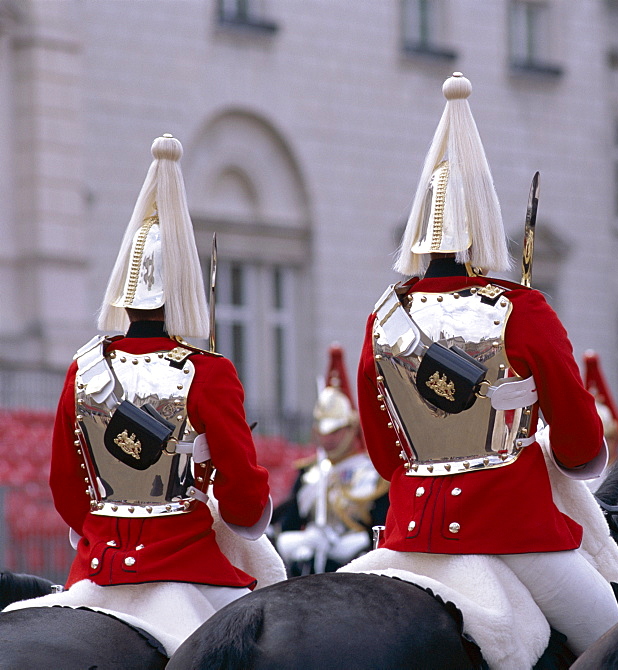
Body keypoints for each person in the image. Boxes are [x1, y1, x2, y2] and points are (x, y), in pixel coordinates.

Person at [356, 72, 618, 656]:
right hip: (514, 531)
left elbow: (382, 454)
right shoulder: (520, 309)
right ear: (484, 219)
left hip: (412, 530)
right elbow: (579, 445)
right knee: (617, 638)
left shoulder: (384, 319)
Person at [3, 134, 277, 655]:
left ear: (123, 294)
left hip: (97, 570)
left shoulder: (82, 369)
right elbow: (245, 500)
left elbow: (67, 487)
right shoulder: (207, 372)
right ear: (183, 291)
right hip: (187, 570)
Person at [273, 344, 388, 573]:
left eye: (335, 431)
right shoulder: (308, 473)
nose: (328, 439)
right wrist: (298, 540)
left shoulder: (374, 474)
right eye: (323, 432)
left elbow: (380, 526)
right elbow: (289, 523)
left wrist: (360, 542)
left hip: (355, 566)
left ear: (351, 428)